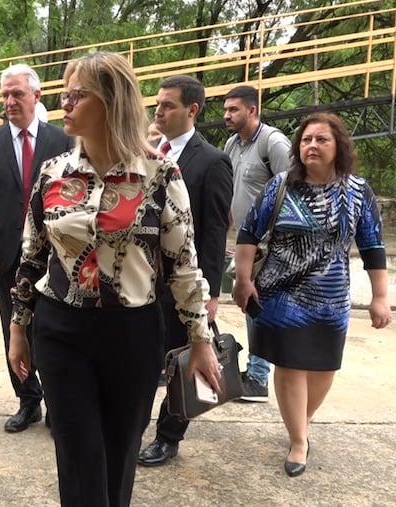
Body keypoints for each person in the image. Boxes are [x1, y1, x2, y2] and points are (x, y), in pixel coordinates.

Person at [7, 51, 221, 506]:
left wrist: (201, 340)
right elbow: (32, 257)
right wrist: (18, 328)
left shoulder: (160, 175)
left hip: (132, 334)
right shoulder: (52, 174)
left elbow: (184, 266)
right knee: (78, 454)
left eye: (76, 95)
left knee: (120, 453)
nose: (64, 104)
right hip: (61, 330)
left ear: (111, 102)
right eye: (63, 94)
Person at [232, 112, 391, 477]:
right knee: (289, 364)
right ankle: (298, 441)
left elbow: (373, 246)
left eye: (321, 139)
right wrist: (242, 279)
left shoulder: (357, 191)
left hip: (331, 300)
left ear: (339, 146)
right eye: (306, 140)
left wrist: (380, 296)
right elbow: (248, 233)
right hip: (280, 298)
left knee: (324, 367)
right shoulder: (281, 185)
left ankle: (300, 422)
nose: (312, 145)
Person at [0, 63, 74, 433]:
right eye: (5, 95)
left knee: (54, 330)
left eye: (17, 94)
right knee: (14, 328)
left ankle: (58, 403)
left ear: (36, 96)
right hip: (7, 254)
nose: (10, 101)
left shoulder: (62, 140)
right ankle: (28, 401)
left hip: (56, 256)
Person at [138, 75, 233, 467]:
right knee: (141, 362)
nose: (159, 111)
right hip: (139, 281)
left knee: (182, 363)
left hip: (182, 285)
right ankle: (130, 427)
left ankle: (168, 436)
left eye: (168, 105)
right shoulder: (142, 153)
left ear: (192, 110)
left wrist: (210, 294)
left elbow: (214, 231)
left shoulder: (212, 161)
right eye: (157, 104)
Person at [223, 84, 291, 402]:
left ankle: (259, 378)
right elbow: (230, 188)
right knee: (249, 304)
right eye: (225, 109)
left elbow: (294, 190)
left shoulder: (272, 143)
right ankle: (255, 372)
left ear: (252, 110)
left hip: (268, 244)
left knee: (256, 305)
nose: (226, 115)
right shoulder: (232, 144)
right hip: (244, 241)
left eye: (233, 109)